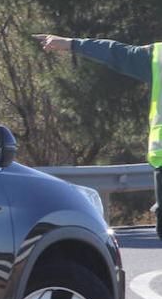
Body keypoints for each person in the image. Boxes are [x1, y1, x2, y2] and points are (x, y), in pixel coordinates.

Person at [34, 32, 160, 236]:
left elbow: (116, 53)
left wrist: (71, 44)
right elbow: (115, 52)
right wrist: (72, 44)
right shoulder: (157, 57)